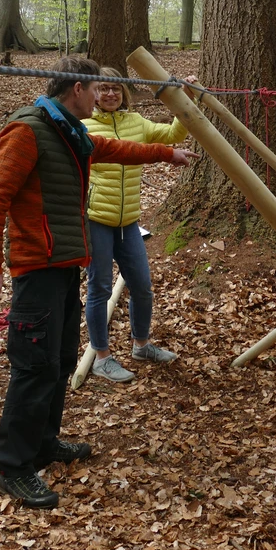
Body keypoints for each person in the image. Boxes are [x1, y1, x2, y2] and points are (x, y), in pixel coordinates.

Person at [0, 56, 197, 509]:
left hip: (63, 265)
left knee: (58, 362)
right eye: (96, 89)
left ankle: (44, 444)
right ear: (78, 88)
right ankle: (14, 468)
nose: (101, 97)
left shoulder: (68, 129)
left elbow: (115, 151)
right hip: (35, 269)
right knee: (33, 368)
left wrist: (166, 153)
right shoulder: (28, 131)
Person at [82, 67, 195, 383]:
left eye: (116, 89)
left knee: (142, 287)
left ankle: (141, 344)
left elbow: (172, 136)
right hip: (97, 221)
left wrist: (182, 99)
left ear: (124, 93)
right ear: (92, 93)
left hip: (129, 221)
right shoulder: (83, 126)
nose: (110, 94)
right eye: (103, 88)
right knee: (100, 289)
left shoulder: (135, 123)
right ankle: (101, 357)